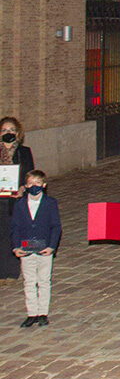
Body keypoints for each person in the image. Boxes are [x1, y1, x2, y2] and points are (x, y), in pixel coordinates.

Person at [10, 170, 60, 327]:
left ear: (44, 186)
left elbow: (56, 226)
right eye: (30, 184)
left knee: (44, 280)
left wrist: (52, 246)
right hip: (26, 248)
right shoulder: (19, 204)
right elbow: (15, 227)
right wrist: (16, 246)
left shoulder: (50, 203)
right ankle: (32, 313)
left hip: (44, 247)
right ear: (25, 186)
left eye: (37, 184)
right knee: (29, 281)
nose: (34, 187)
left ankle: (43, 312)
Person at [0, 117, 35, 280]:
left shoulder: (24, 152)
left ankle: (12, 271)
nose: (9, 133)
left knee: (13, 234)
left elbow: (30, 175)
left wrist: (23, 188)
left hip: (15, 200)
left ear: (18, 133)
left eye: (12, 130)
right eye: (5, 130)